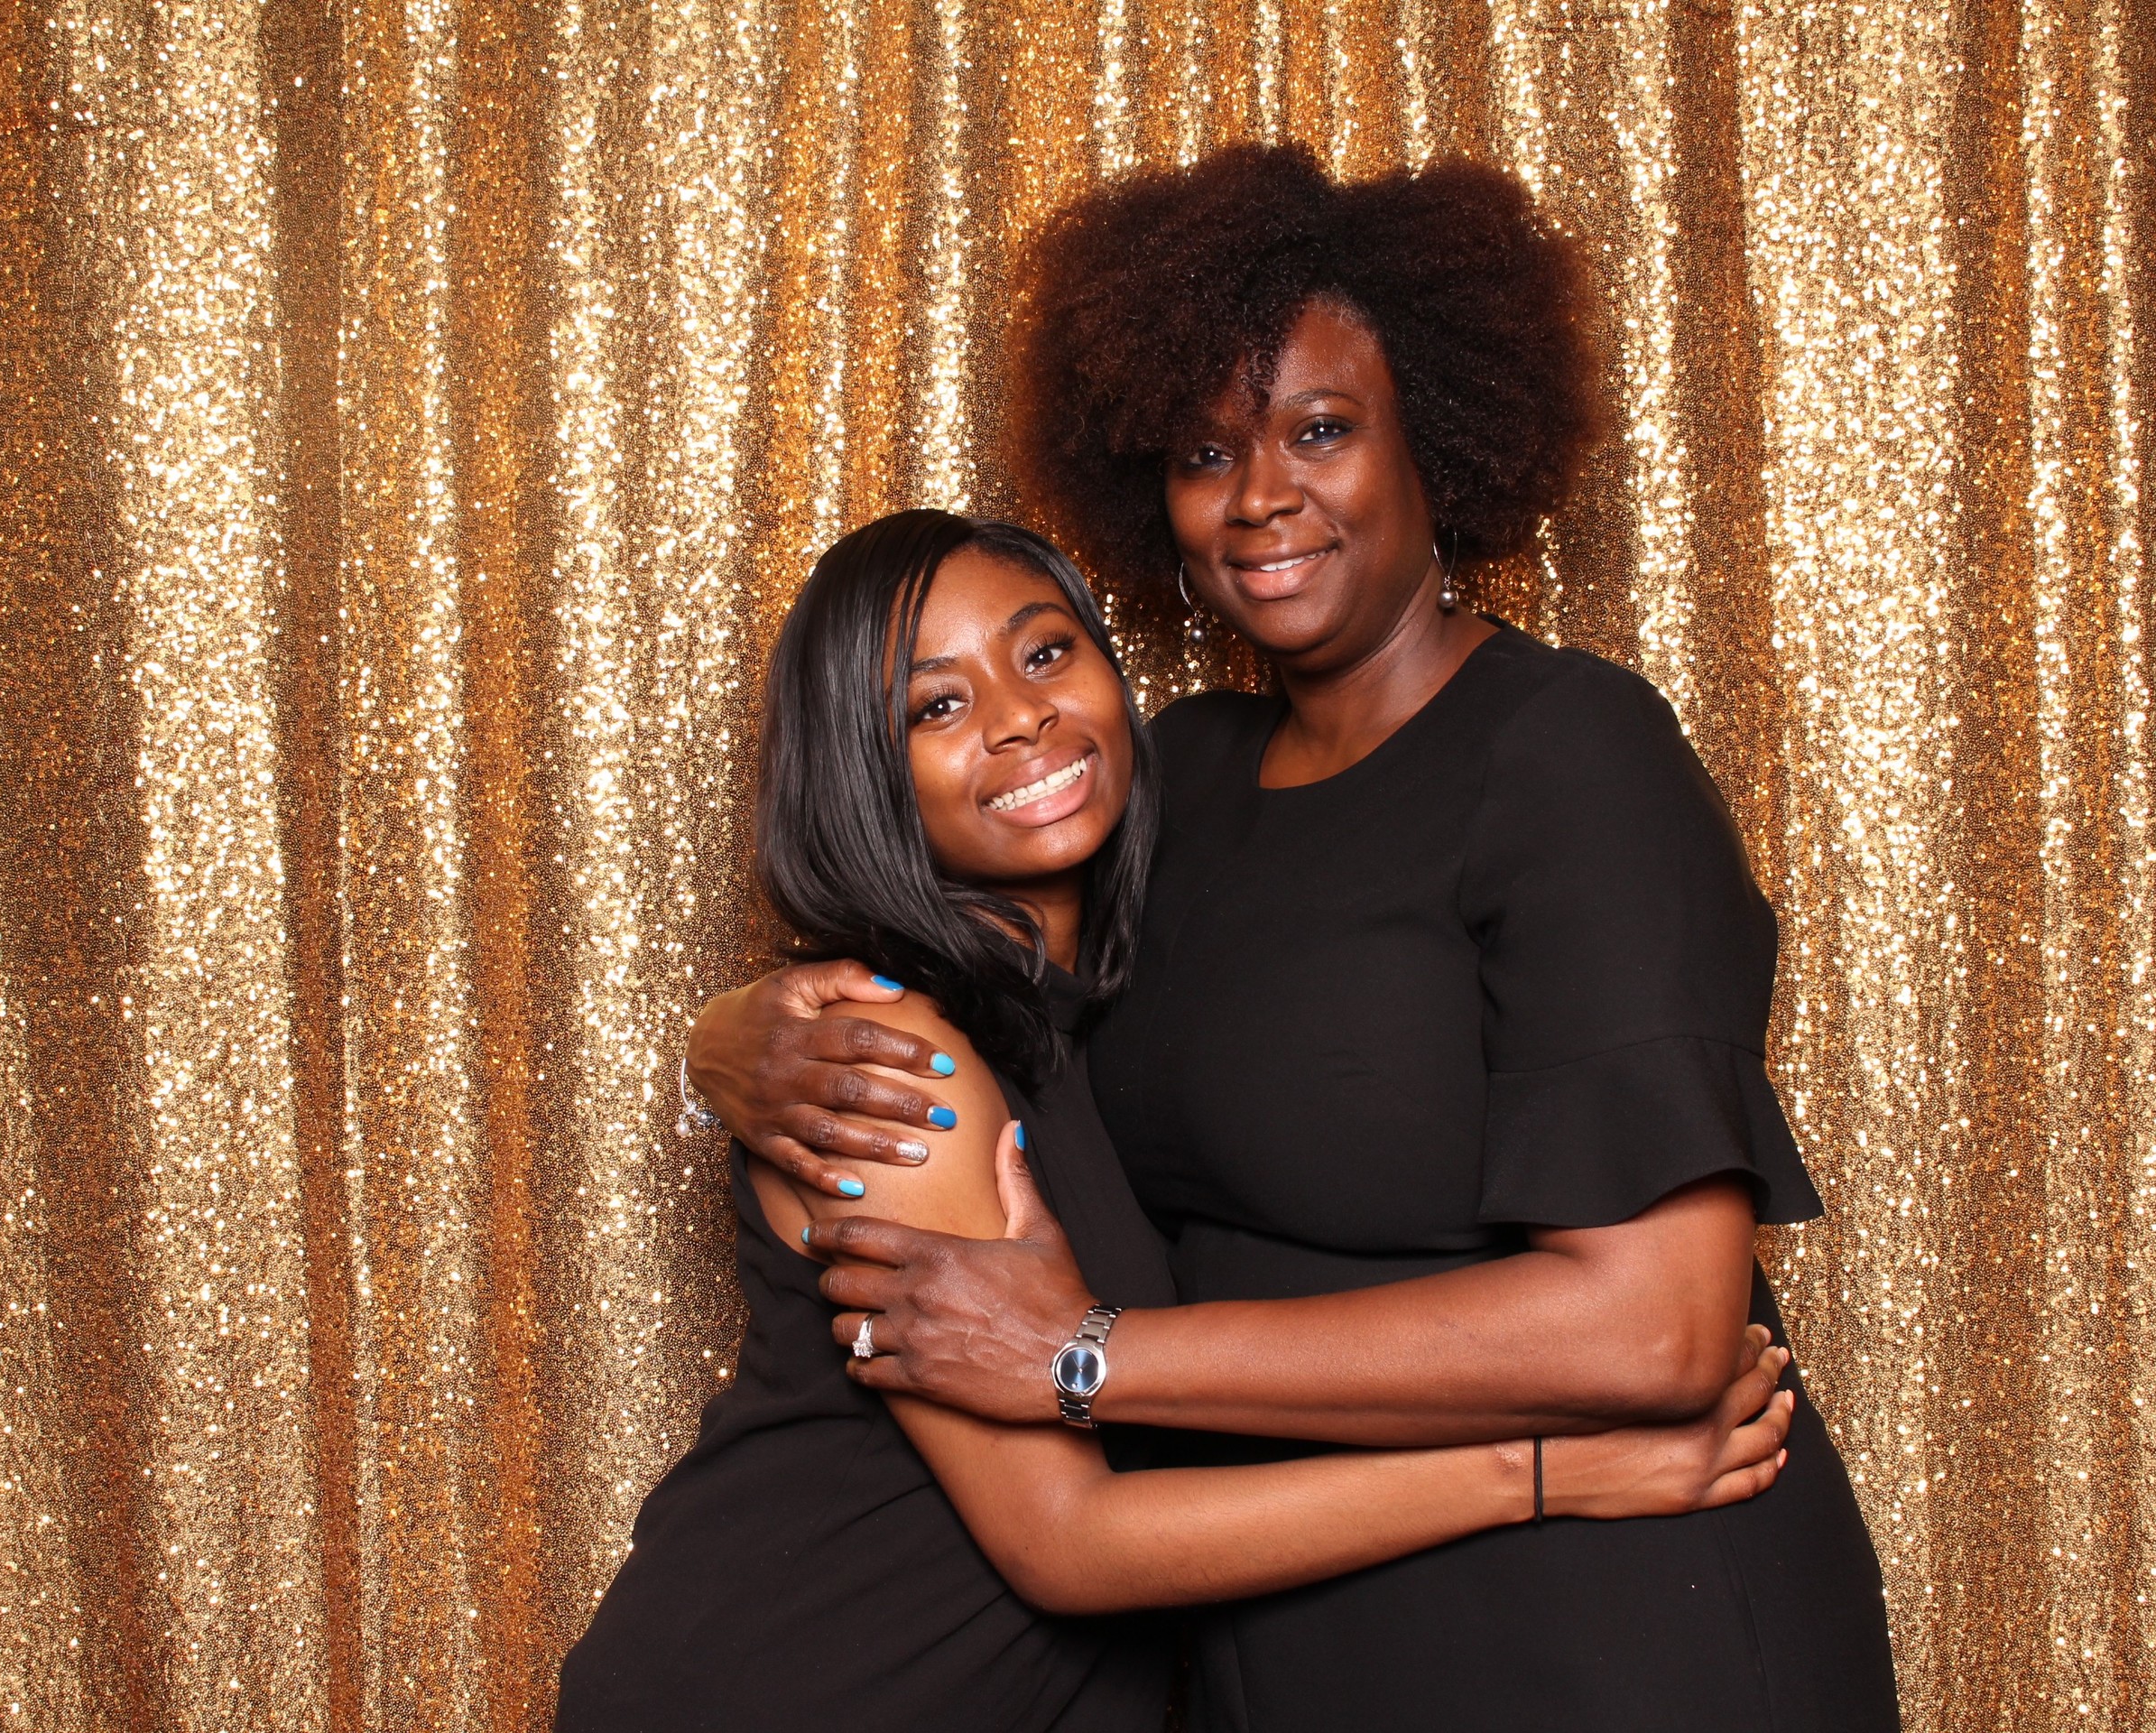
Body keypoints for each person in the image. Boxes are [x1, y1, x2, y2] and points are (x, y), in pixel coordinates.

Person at [688, 148, 1902, 1731]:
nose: (1261, 496)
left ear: (1434, 440)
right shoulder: (1174, 786)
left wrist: (1088, 1357)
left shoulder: (1573, 757)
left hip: (1609, 1609)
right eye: (1208, 451)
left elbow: (1659, 1329)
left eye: (1321, 429)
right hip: (1291, 1638)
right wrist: (735, 1038)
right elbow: (962, 938)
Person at [558, 509, 1798, 1732]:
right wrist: (1546, 1470)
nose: (1020, 716)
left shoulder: (1106, 997)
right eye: (935, 707)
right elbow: (1069, 1543)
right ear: (859, 775)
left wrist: (713, 1036)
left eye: (1046, 652)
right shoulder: (888, 1071)